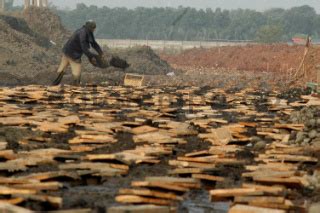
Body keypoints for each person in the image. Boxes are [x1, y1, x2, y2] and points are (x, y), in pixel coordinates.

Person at [52, 20, 103, 85]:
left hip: (66, 51)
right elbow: (84, 47)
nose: (94, 30)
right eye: (93, 28)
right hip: (73, 55)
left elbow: (94, 44)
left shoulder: (87, 31)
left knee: (61, 69)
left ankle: (53, 84)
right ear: (90, 27)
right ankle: (75, 87)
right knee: (77, 73)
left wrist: (101, 53)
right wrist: (91, 57)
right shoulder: (83, 33)